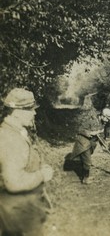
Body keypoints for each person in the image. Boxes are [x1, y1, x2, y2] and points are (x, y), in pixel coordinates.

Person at [0, 88, 53, 236]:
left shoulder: (14, 132)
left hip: (21, 210)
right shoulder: (11, 139)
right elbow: (14, 182)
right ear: (17, 112)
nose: (34, 113)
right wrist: (42, 175)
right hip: (18, 214)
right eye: (30, 109)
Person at [69, 94, 102, 185]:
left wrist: (99, 131)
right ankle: (85, 179)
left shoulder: (96, 116)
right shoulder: (86, 117)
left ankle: (85, 175)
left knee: (86, 160)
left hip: (89, 142)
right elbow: (80, 129)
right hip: (83, 142)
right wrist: (91, 133)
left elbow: (97, 128)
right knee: (87, 162)